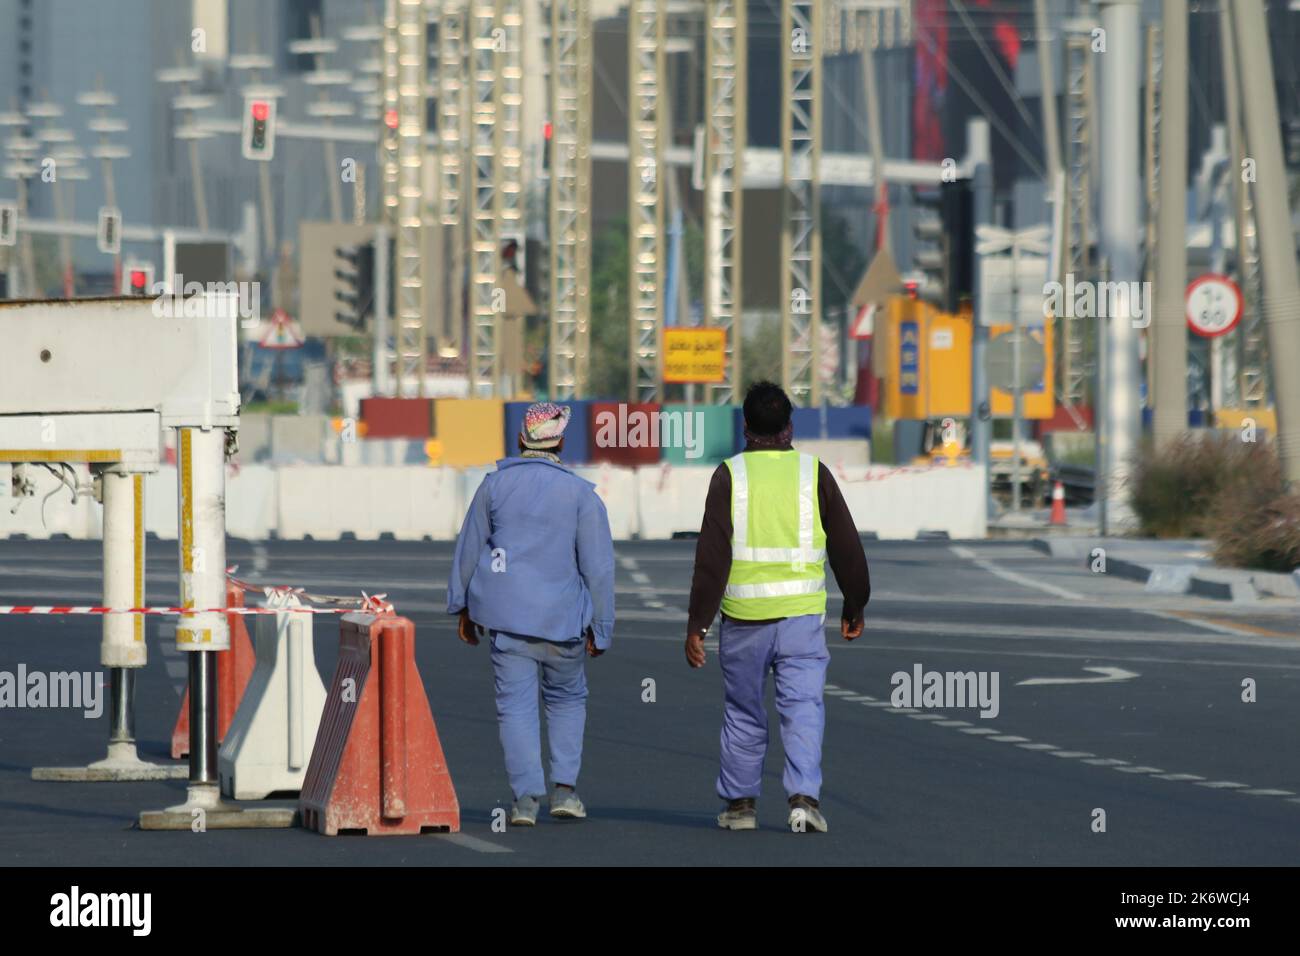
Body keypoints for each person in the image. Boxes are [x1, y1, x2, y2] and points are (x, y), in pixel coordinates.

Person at [684, 381, 870, 833]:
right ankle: (804, 800)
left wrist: (697, 625)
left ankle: (741, 806)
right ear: (789, 426)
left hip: (744, 620)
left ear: (745, 426)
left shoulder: (729, 475)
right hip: (801, 620)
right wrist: (855, 603)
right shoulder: (813, 473)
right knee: (803, 708)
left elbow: (712, 557)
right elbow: (847, 545)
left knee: (743, 712)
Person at [448, 402, 615, 826]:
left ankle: (525, 800)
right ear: (560, 442)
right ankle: (565, 791)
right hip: (564, 625)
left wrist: (462, 607)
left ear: (522, 440)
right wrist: (603, 627)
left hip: (507, 622)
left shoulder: (493, 487)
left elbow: (468, 551)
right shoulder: (582, 495)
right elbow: (598, 569)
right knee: (566, 701)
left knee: (515, 709)